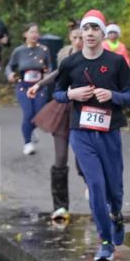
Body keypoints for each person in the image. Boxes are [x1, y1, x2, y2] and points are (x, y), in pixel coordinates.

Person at [52, 9, 130, 261]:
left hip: (109, 132)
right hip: (81, 132)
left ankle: (117, 214)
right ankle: (106, 242)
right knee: (95, 186)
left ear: (102, 33)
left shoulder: (117, 62)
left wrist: (113, 96)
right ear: (81, 33)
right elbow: (56, 93)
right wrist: (70, 95)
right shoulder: (70, 63)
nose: (89, 34)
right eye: (85, 29)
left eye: (94, 29)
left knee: (114, 190)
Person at [27, 21, 85, 221]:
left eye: (81, 37)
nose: (78, 41)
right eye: (75, 37)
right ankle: (60, 206)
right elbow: (58, 73)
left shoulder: (93, 56)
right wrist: (39, 84)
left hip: (84, 111)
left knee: (83, 160)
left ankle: (94, 190)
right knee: (60, 158)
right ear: (70, 38)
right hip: (62, 109)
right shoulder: (65, 55)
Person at [6, 23, 53, 155]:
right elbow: (9, 66)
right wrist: (9, 74)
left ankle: (30, 130)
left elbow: (49, 66)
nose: (34, 35)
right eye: (31, 32)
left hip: (39, 87)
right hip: (23, 87)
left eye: (36, 32)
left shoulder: (44, 50)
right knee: (28, 114)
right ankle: (27, 143)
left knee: (39, 115)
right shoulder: (19, 51)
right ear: (25, 34)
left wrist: (47, 74)